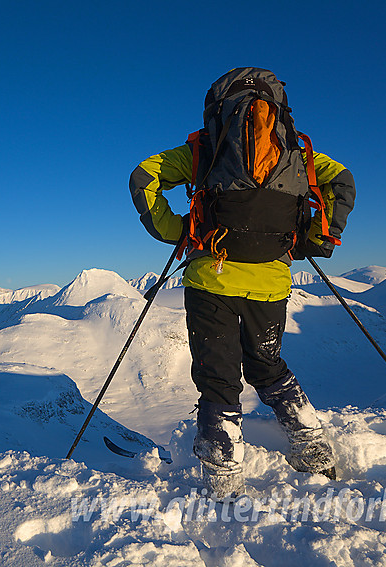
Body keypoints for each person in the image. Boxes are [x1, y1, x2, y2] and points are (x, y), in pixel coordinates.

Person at [129, 67, 355, 500]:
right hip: (271, 278)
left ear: (217, 106)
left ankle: (225, 483)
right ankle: (314, 450)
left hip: (209, 278)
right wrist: (314, 236)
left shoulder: (204, 147)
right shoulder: (299, 153)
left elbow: (144, 175)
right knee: (268, 365)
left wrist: (172, 229)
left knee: (218, 378)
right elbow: (342, 182)